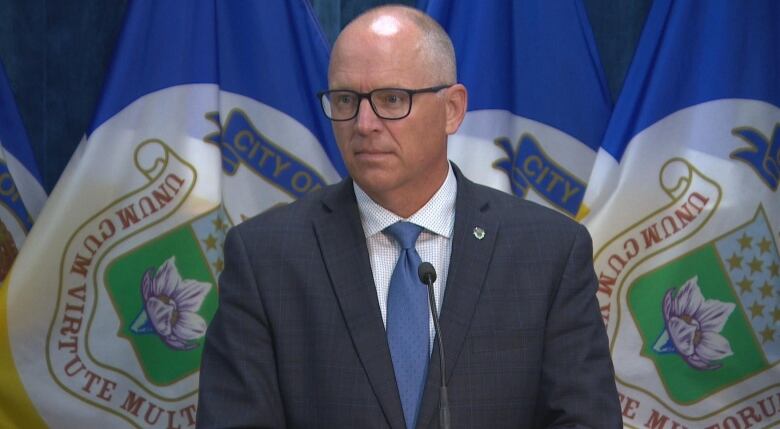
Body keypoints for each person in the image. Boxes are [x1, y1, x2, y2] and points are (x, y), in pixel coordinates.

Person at [197, 5, 622, 428]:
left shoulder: (548, 252)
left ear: (452, 109)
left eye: (391, 99)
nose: (364, 124)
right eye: (346, 100)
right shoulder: (266, 257)